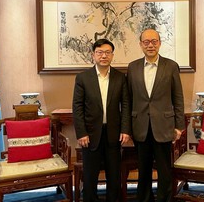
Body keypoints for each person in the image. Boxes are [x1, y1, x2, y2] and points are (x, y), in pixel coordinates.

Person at [127, 28, 185, 202]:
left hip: (164, 126)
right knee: (143, 169)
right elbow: (128, 100)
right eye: (146, 42)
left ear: (159, 43)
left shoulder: (171, 66)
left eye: (154, 41)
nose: (150, 45)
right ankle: (144, 199)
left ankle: (164, 199)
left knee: (164, 169)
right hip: (140, 126)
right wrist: (127, 128)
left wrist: (179, 125)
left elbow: (178, 97)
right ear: (140, 45)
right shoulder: (133, 67)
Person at [73, 38, 131, 202]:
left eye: (107, 52)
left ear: (112, 55)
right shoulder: (83, 78)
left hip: (114, 133)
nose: (103, 56)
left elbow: (125, 105)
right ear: (93, 55)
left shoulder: (120, 78)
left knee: (114, 176)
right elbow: (77, 107)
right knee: (90, 176)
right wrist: (81, 132)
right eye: (99, 52)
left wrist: (125, 129)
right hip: (90, 135)